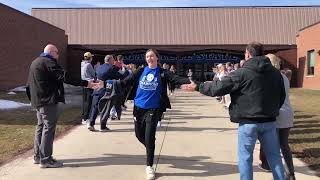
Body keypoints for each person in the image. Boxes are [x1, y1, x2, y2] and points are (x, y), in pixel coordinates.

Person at [181, 42, 286, 180]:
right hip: (269, 122)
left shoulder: (241, 73)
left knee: (245, 158)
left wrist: (198, 86)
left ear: (248, 54)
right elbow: (281, 96)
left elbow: (217, 88)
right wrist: (272, 110)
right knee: (274, 157)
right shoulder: (276, 74)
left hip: (248, 122)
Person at [98, 49, 191, 180]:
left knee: (149, 136)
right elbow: (125, 82)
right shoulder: (140, 71)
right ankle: (150, 148)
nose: (149, 58)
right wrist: (106, 83)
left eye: (152, 56)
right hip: (138, 108)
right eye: (147, 56)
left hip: (153, 109)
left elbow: (176, 78)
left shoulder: (162, 73)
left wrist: (191, 83)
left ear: (157, 58)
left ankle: (149, 166)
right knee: (139, 135)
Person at [26, 44, 98, 168]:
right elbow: (65, 77)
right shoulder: (49, 62)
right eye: (57, 53)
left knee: (41, 127)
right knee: (48, 128)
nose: (58, 56)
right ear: (52, 52)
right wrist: (86, 83)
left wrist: (32, 100)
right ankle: (46, 159)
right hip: (47, 101)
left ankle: (38, 156)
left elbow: (28, 85)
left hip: (38, 101)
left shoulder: (35, 62)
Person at [258, 54, 296, 180]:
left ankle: (273, 169)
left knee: (272, 147)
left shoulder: (270, 77)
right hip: (288, 113)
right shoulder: (284, 77)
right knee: (284, 145)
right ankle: (290, 172)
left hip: (277, 113)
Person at [88, 55, 128, 131]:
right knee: (105, 108)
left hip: (97, 89)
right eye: (113, 59)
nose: (114, 61)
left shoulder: (98, 67)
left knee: (95, 107)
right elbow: (121, 77)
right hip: (107, 90)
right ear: (110, 60)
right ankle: (103, 126)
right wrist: (126, 70)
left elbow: (96, 78)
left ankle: (91, 124)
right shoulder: (112, 68)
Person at [81, 52, 96, 125]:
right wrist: (96, 67)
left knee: (85, 101)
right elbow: (94, 74)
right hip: (89, 83)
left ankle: (84, 117)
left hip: (84, 84)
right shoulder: (89, 65)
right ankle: (86, 118)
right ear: (90, 58)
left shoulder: (82, 64)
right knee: (89, 101)